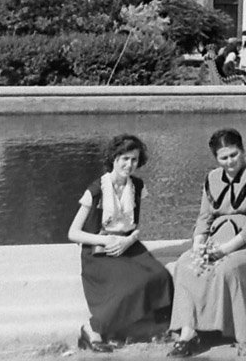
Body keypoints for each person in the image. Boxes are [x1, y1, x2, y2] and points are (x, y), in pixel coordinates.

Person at [168, 129, 246, 356]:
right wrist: (198, 244)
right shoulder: (212, 178)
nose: (230, 161)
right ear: (216, 159)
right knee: (185, 264)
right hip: (216, 239)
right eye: (223, 158)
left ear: (242, 151)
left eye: (234, 155)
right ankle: (188, 332)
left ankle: (228, 329)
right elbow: (204, 218)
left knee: (227, 269)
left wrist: (225, 249)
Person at [67, 135, 174, 353]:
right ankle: (92, 329)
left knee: (160, 276)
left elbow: (137, 226)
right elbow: (73, 233)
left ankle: (156, 328)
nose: (129, 165)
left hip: (128, 244)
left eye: (134, 160)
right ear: (114, 158)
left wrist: (128, 240)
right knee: (130, 285)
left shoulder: (137, 186)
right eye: (125, 159)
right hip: (99, 250)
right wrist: (106, 240)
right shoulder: (96, 190)